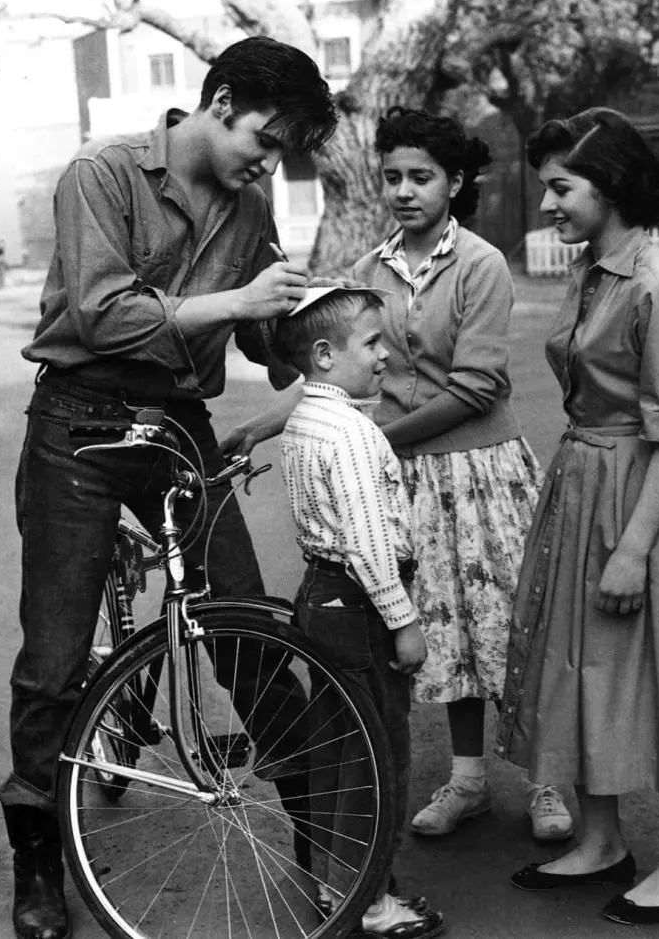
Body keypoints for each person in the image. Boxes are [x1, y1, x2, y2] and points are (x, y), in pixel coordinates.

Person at [0, 36, 337, 939]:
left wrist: (317, 318)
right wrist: (237, 304)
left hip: (177, 418)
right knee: (57, 653)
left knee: (245, 617)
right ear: (221, 101)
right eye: (266, 138)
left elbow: (267, 340)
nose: (269, 162)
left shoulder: (250, 198)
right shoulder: (101, 175)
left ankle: (320, 838)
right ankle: (37, 864)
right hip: (79, 419)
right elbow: (102, 316)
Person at [498, 107, 659, 926]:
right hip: (582, 487)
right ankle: (600, 842)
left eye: (562, 188)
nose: (549, 205)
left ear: (609, 187)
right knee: (579, 667)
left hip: (645, 505)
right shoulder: (595, 272)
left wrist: (634, 549)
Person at [350, 106, 573, 842]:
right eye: (393, 177)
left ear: (454, 183)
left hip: (482, 472)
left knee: (510, 628)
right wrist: (268, 420)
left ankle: (546, 780)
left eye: (422, 177)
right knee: (445, 634)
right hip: (410, 481)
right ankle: (469, 781)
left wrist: (381, 438)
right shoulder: (369, 270)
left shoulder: (479, 263)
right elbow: (345, 366)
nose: (405, 191)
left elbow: (476, 387)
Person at [274, 284, 444, 939]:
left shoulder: (306, 421)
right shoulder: (349, 432)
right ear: (323, 354)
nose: (384, 354)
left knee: (339, 749)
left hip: (323, 595)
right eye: (371, 342)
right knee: (379, 755)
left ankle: (334, 876)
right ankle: (367, 901)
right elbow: (368, 541)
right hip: (362, 603)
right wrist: (402, 621)